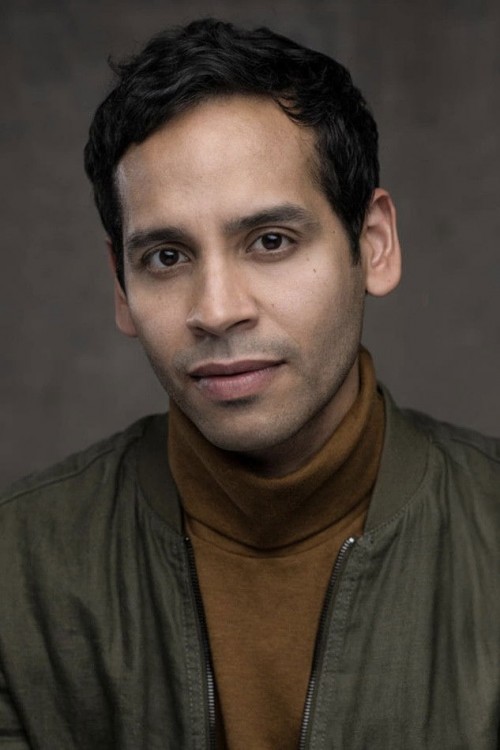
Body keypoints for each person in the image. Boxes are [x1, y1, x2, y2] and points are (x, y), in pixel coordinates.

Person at [0, 17, 499, 750]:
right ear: (120, 286)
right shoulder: (15, 570)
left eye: (270, 241)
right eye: (167, 257)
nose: (216, 310)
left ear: (374, 244)